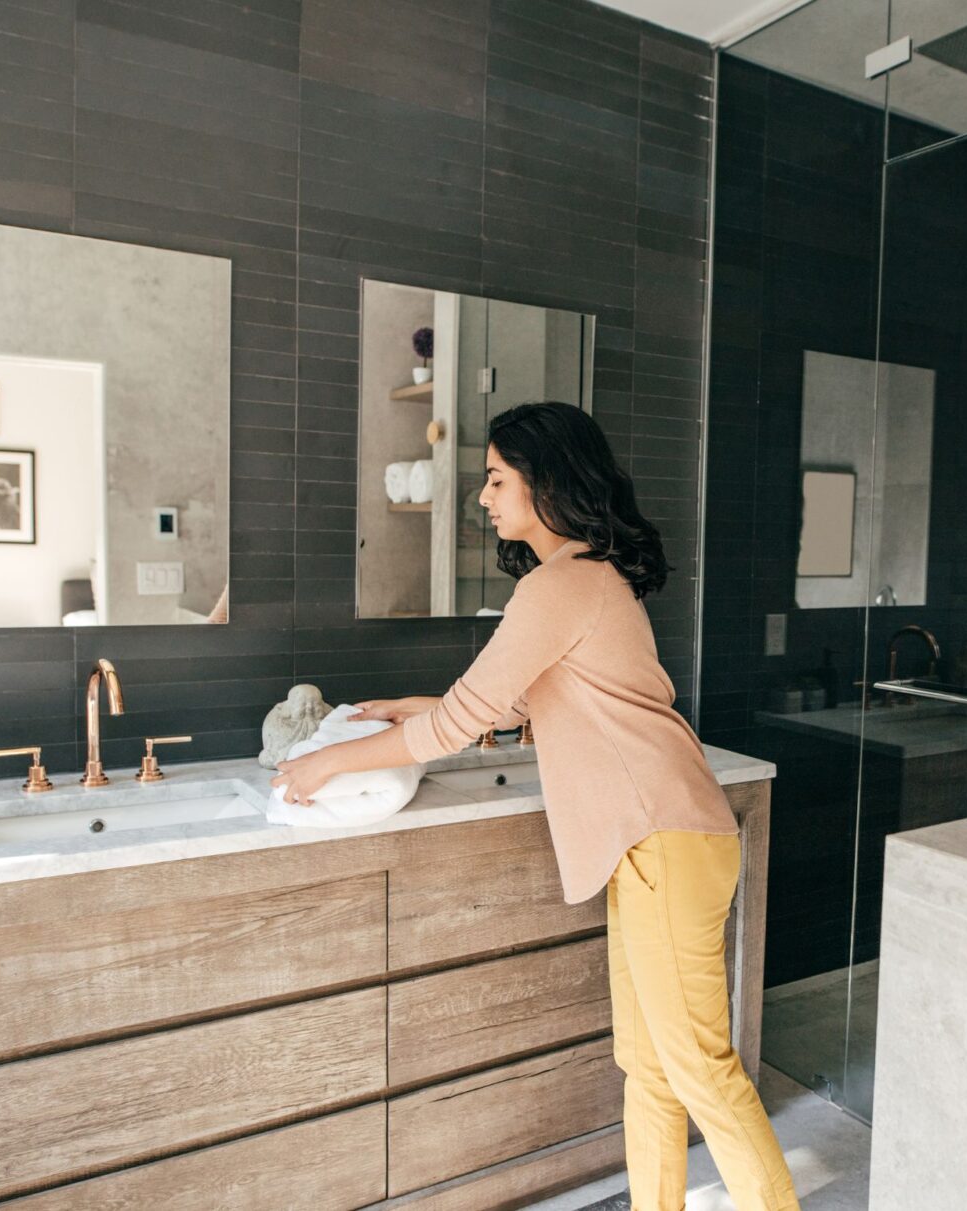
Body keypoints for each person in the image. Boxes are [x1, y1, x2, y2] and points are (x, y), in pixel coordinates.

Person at [271, 401, 801, 1210]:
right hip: (655, 840)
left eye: (495, 478)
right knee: (650, 1065)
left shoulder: (562, 584)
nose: (483, 497)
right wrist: (406, 708)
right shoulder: (580, 579)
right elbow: (513, 703)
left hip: (663, 836)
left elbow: (461, 723)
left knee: (699, 1066)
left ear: (544, 483)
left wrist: (329, 761)